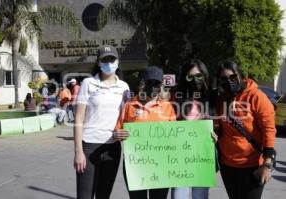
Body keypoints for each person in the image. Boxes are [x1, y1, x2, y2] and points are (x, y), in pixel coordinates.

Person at [74, 45, 130, 199]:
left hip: (112, 148)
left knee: (103, 196)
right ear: (98, 62)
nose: (109, 63)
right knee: (84, 196)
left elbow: (127, 117)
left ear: (118, 61)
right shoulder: (88, 83)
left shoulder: (124, 87)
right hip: (89, 146)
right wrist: (78, 151)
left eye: (112, 59)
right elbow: (78, 118)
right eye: (105, 60)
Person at [215, 60, 276, 199]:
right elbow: (219, 125)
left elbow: (269, 129)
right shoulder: (221, 99)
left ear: (241, 76)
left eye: (232, 77)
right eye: (223, 78)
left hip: (253, 165)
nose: (228, 81)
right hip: (228, 165)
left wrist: (267, 164)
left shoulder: (256, 96)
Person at [114, 66, 176, 199]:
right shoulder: (130, 105)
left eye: (157, 83)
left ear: (161, 85)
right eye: (149, 82)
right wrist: (117, 134)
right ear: (143, 83)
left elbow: (175, 135)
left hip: (162, 165)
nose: (153, 86)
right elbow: (117, 129)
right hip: (135, 165)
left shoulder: (167, 106)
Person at [171, 59, 216, 199]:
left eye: (198, 75)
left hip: (203, 155)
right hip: (180, 156)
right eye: (190, 76)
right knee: (178, 196)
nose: (194, 80)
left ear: (204, 75)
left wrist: (216, 133)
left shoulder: (212, 97)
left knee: (200, 196)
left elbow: (220, 124)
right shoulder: (176, 96)